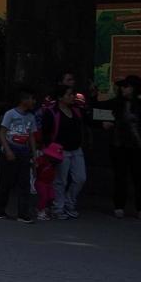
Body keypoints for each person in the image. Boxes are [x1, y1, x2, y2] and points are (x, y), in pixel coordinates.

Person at [105, 75, 141, 219]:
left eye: (126, 86)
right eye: (122, 86)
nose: (123, 89)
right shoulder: (118, 103)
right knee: (120, 177)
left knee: (139, 178)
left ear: (134, 88)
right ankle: (119, 206)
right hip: (119, 144)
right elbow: (103, 106)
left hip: (137, 145)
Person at [0, 87, 40, 223]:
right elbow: (2, 132)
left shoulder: (31, 117)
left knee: (25, 183)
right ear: (23, 100)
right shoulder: (10, 114)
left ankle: (23, 213)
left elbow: (31, 135)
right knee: (5, 181)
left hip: (24, 151)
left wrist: (34, 152)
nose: (34, 101)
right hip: (11, 148)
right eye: (32, 98)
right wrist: (7, 150)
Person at [41, 86, 88, 219]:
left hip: (76, 149)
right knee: (60, 180)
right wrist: (49, 148)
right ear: (60, 97)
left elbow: (86, 123)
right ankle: (58, 207)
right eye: (68, 95)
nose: (72, 97)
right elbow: (46, 132)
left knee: (80, 178)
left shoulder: (77, 111)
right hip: (60, 150)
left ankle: (69, 202)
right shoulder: (51, 112)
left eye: (73, 94)